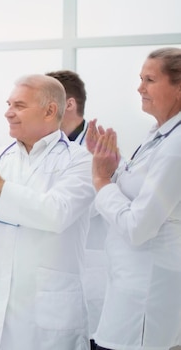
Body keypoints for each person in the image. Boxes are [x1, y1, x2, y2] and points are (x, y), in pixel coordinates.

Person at [0, 74, 94, 349]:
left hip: (47, 314)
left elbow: (56, 213)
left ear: (50, 110)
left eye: (19, 105)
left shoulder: (80, 160)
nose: (8, 113)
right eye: (8, 104)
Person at [89, 47, 181, 350]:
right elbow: (139, 188)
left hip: (147, 296)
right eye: (141, 79)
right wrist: (114, 166)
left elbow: (139, 226)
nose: (139, 88)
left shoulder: (175, 146)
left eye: (150, 80)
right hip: (130, 289)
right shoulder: (160, 134)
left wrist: (103, 181)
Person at [46, 70, 109, 348]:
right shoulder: (45, 145)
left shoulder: (99, 147)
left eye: (44, 100)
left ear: (68, 104)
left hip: (91, 273)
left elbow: (94, 205)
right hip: (50, 275)